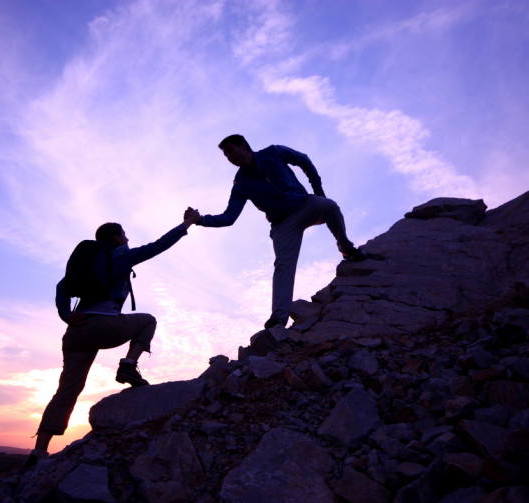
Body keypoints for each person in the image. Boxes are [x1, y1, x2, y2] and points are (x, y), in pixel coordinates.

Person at [26, 209, 201, 466]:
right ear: (117, 238)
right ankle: (128, 366)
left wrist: (66, 314)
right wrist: (187, 223)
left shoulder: (88, 264)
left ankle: (38, 452)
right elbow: (159, 245)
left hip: (75, 333)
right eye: (125, 235)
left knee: (67, 390)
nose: (128, 239)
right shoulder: (120, 256)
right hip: (104, 325)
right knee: (148, 321)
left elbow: (61, 286)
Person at [186, 134, 365, 330]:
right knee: (283, 265)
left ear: (243, 145)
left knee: (329, 206)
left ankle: (346, 248)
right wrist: (200, 220)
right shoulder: (241, 183)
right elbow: (229, 217)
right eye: (225, 155)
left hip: (305, 204)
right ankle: (278, 318)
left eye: (229, 150)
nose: (228, 157)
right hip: (282, 225)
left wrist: (318, 191)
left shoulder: (274, 152)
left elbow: (303, 160)